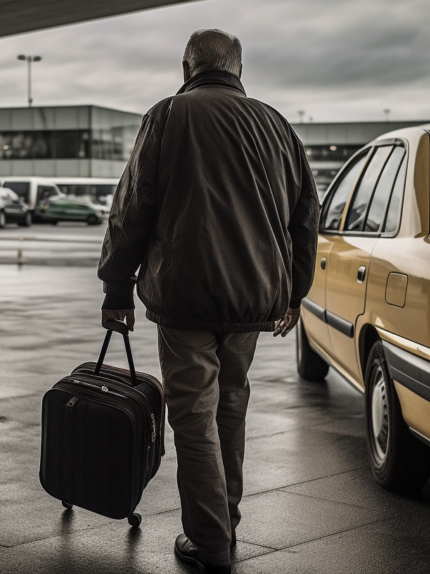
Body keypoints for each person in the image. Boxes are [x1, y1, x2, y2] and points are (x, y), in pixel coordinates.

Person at [98, 28, 319, 573]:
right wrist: (294, 290)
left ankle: (211, 543)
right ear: (238, 69)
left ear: (186, 68)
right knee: (230, 409)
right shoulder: (277, 126)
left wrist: (116, 287)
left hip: (185, 297)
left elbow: (132, 208)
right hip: (252, 301)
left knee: (194, 419)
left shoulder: (169, 116)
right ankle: (226, 525)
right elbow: (305, 215)